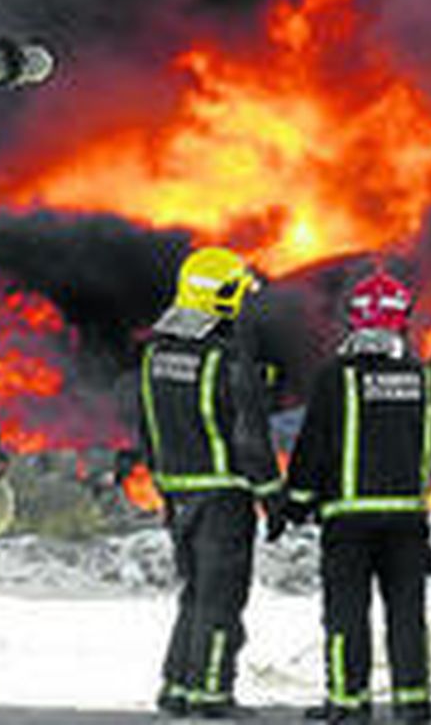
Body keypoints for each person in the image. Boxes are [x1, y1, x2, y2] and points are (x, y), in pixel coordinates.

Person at [139, 246, 284, 718]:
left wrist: (165, 490)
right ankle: (214, 696)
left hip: (178, 494)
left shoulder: (155, 354)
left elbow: (147, 430)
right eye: (236, 293)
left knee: (194, 594)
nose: (242, 302)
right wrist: (272, 497)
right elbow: (248, 438)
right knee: (221, 600)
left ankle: (177, 689)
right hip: (224, 498)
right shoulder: (226, 359)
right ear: (221, 297)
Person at [287, 271, 431, 724]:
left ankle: (348, 704)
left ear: (355, 320)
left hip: (348, 522)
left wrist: (296, 500)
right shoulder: (420, 376)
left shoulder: (337, 377)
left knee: (347, 613)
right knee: (407, 614)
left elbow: (314, 443)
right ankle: (413, 704)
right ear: (401, 320)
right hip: (408, 521)